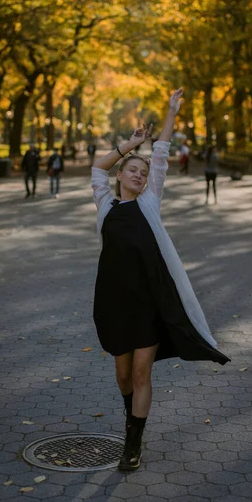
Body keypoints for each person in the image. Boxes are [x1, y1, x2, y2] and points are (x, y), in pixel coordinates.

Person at [91, 88, 230, 472]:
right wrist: (129, 145)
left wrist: (170, 114)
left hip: (149, 305)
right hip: (116, 304)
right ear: (122, 175)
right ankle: (130, 415)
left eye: (143, 172)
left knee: (140, 372)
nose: (139, 174)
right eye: (133, 171)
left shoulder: (149, 204)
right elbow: (96, 170)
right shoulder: (106, 207)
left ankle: (132, 443)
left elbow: (163, 151)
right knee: (122, 375)